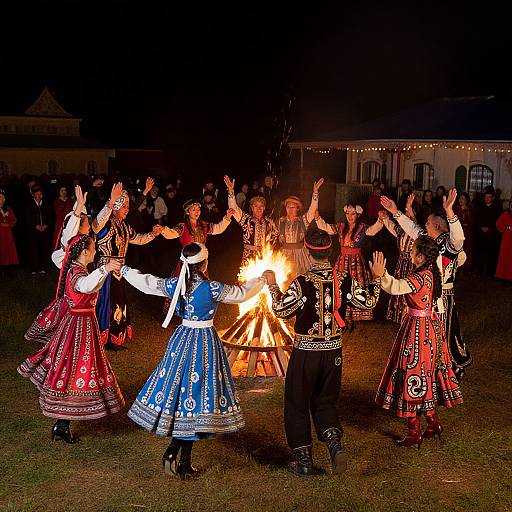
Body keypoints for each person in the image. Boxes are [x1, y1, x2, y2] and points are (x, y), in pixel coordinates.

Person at [121, 243, 267, 479]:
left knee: (183, 396)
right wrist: (261, 279)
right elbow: (242, 294)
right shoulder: (211, 288)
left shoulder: (176, 284)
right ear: (205, 263)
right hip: (204, 344)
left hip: (182, 340)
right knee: (198, 398)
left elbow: (148, 284)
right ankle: (177, 455)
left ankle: (182, 460)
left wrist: (126, 271)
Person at [264, 229, 380, 476]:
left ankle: (304, 461)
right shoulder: (344, 279)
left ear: (307, 252)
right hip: (333, 353)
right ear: (330, 252)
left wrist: (272, 284)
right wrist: (377, 278)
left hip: (306, 353)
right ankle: (334, 444)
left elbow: (281, 310)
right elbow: (368, 302)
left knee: (297, 402)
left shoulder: (303, 282)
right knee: (325, 401)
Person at [18, 234, 125, 443]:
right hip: (79, 326)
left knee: (71, 368)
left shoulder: (77, 269)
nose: (95, 252)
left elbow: (91, 285)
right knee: (77, 369)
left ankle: (62, 423)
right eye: (93, 248)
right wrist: (105, 269)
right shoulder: (76, 273)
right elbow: (85, 286)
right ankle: (63, 421)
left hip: (82, 324)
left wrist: (105, 270)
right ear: (84, 252)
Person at [369, 239, 463, 448]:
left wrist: (380, 275)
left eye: (412, 250)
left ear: (420, 256)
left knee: (412, 371)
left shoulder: (419, 277)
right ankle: (433, 424)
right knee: (427, 374)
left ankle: (414, 433)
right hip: (431, 327)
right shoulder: (431, 273)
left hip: (418, 330)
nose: (410, 253)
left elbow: (396, 287)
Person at [380, 190, 472, 381]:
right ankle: (427, 367)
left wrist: (450, 212)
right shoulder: (429, 241)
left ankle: (446, 369)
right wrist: (396, 212)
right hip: (426, 296)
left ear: (437, 225)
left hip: (443, 299)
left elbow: (460, 239)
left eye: (428, 223)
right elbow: (412, 229)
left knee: (443, 333)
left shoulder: (449, 244)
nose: (425, 225)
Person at [25, 184, 123, 345]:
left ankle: (75, 339)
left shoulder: (83, 239)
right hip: (74, 292)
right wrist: (78, 209)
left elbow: (99, 222)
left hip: (81, 291)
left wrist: (111, 202)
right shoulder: (69, 244)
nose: (89, 226)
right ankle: (68, 340)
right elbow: (69, 231)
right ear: (78, 226)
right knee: (72, 313)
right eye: (85, 223)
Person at [95, 189, 162, 350]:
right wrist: (109, 203)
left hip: (119, 272)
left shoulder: (124, 226)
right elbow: (96, 225)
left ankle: (115, 336)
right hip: (106, 272)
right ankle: (101, 337)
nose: (127, 210)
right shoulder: (106, 223)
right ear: (116, 207)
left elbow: (138, 239)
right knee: (105, 303)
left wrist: (152, 234)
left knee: (118, 303)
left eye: (127, 206)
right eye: (124, 206)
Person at [315, 203, 377, 331]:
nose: (350, 216)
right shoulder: (341, 226)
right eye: (348, 213)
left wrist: (381, 220)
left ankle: (354, 318)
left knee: (356, 286)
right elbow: (326, 227)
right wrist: (317, 218)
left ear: (358, 215)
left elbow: (374, 230)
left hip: (357, 262)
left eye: (353, 213)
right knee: (340, 287)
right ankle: (343, 317)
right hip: (342, 261)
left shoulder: (363, 227)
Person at [366, 206, 416, 324]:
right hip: (401, 263)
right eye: (405, 214)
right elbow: (390, 225)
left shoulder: (418, 232)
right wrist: (384, 218)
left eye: (409, 214)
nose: (406, 216)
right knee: (396, 285)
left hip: (411, 264)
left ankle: (409, 315)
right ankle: (398, 314)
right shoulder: (400, 230)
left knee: (408, 288)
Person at [224, 175, 279, 267]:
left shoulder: (270, 222)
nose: (259, 208)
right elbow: (234, 208)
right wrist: (230, 191)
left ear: (264, 208)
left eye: (261, 206)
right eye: (256, 206)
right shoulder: (246, 219)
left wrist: (271, 252)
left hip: (264, 256)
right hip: (249, 257)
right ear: (252, 208)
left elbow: (276, 237)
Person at [277, 178, 324, 279]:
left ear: (297, 208)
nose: (289, 209)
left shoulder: (302, 220)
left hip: (299, 255)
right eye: (288, 207)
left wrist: (315, 193)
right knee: (284, 279)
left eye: (292, 207)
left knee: (299, 278)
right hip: (284, 254)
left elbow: (312, 210)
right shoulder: (281, 221)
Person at [25, 185, 53, 274]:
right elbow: (27, 218)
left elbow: (50, 217)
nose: (39, 196)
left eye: (40, 194)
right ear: (33, 195)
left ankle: (43, 267)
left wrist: (46, 225)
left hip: (44, 231)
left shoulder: (46, 204)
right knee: (34, 249)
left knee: (43, 249)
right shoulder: (29, 205)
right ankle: (33, 268)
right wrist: (35, 225)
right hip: (33, 231)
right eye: (37, 194)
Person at [474, 189, 502, 277]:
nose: (487, 199)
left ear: (493, 198)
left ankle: (490, 273)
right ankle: (479, 271)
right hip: (481, 234)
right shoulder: (480, 207)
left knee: (491, 255)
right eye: (486, 197)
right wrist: (481, 227)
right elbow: (477, 219)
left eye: (489, 197)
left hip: (491, 235)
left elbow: (497, 222)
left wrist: (489, 228)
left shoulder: (496, 209)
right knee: (480, 253)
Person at [0, 189, 19, 271]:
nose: (2, 200)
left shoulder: (8, 208)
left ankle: (7, 267)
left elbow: (14, 219)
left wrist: (9, 224)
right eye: (0, 198)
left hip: (7, 233)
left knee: (7, 249)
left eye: (3, 198)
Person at [454, 192, 474, 270]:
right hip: (457, 232)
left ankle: (466, 267)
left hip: (467, 233)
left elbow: (471, 221)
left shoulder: (469, 210)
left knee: (467, 249)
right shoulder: (456, 209)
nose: (461, 201)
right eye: (460, 199)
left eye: (463, 199)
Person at [495, 203, 512, 284]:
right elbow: (498, 224)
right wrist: (505, 229)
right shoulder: (506, 214)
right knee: (505, 258)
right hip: (507, 240)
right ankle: (504, 277)